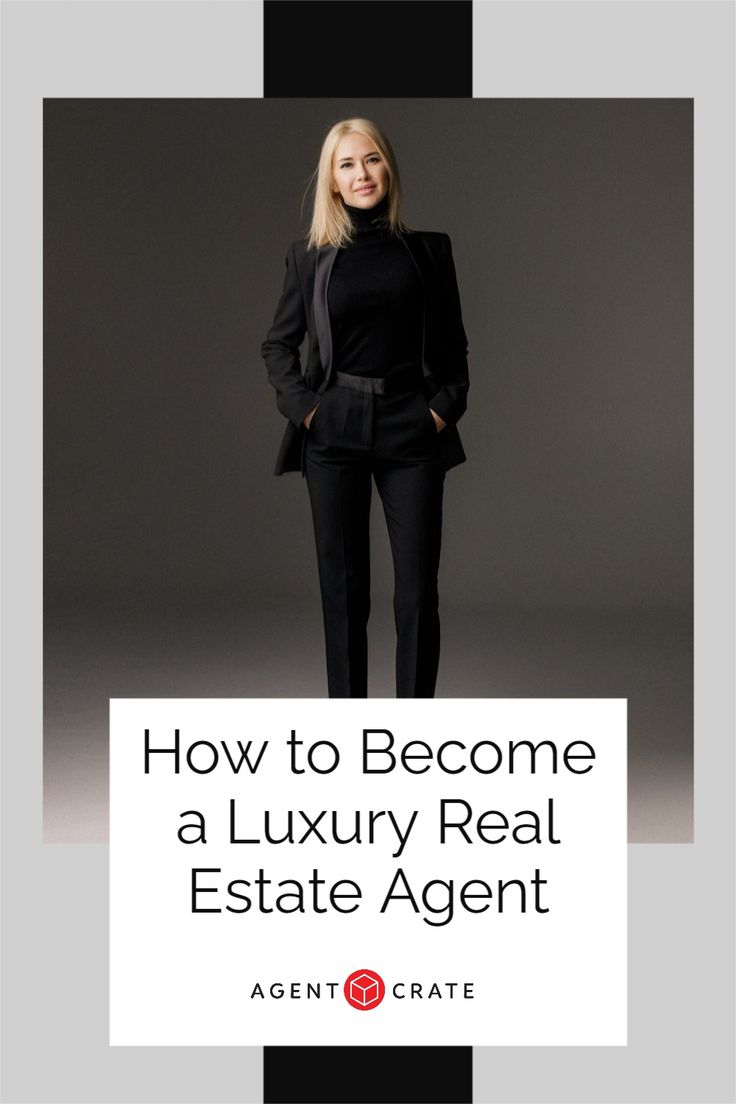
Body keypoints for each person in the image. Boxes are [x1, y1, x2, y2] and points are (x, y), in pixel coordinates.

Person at [262, 117, 469, 698]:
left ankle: (412, 739)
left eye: (371, 159)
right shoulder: (309, 258)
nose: (362, 174)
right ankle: (353, 739)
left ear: (389, 168)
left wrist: (440, 410)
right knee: (344, 592)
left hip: (412, 427)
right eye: (347, 164)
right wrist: (307, 412)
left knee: (416, 595)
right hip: (335, 428)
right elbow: (278, 345)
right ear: (331, 180)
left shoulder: (429, 251)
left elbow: (454, 349)